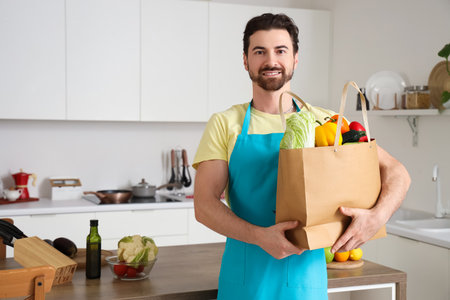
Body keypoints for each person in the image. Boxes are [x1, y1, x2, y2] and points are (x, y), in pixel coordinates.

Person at [192, 13, 410, 300]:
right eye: (260, 51)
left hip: (305, 279)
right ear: (246, 61)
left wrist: (376, 217)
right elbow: (204, 205)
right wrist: (260, 236)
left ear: (296, 59)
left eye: (281, 50)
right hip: (245, 276)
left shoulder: (328, 122)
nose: (271, 60)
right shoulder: (225, 123)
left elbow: (397, 172)